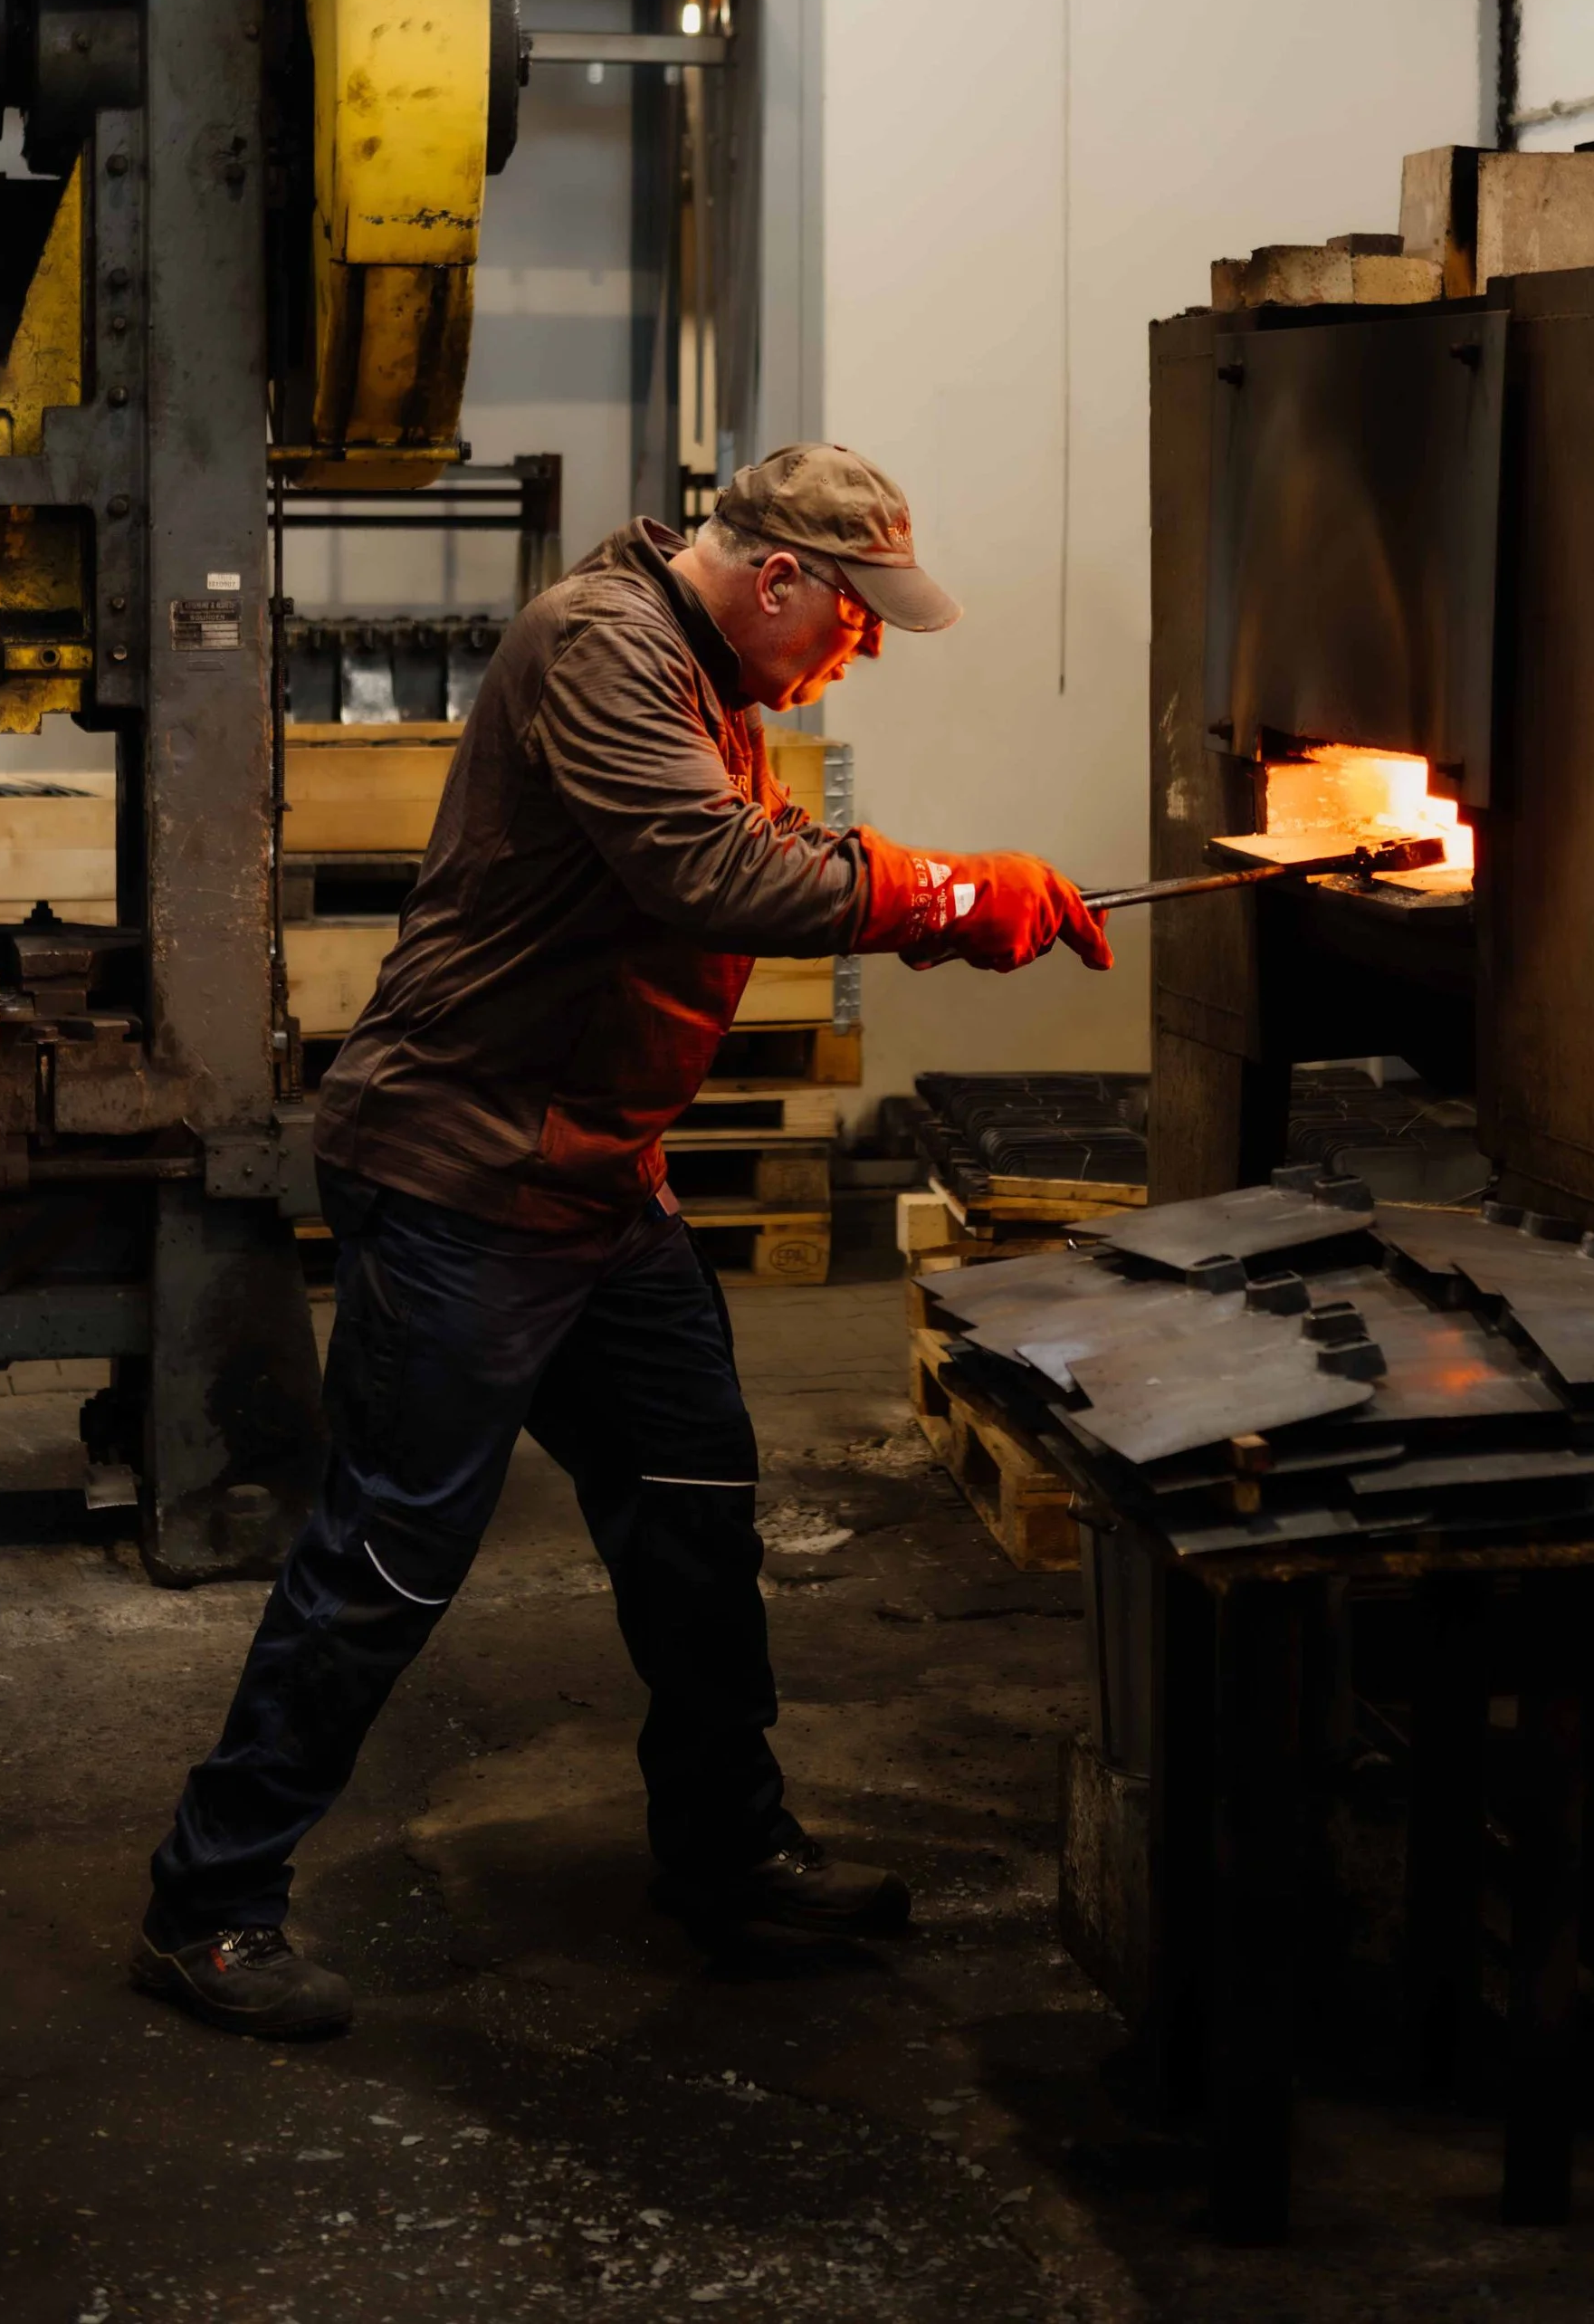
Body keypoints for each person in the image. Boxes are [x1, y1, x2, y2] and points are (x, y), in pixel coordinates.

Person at [132, 444, 1111, 2036]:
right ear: (781, 577)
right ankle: (207, 1904)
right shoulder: (602, 646)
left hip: (597, 1184)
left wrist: (936, 900)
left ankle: (728, 1856)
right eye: (854, 620)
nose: (856, 652)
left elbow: (752, 866)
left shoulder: (712, 676)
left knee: (695, 1510)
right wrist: (944, 893)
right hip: (467, 1178)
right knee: (388, 1555)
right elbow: (711, 868)